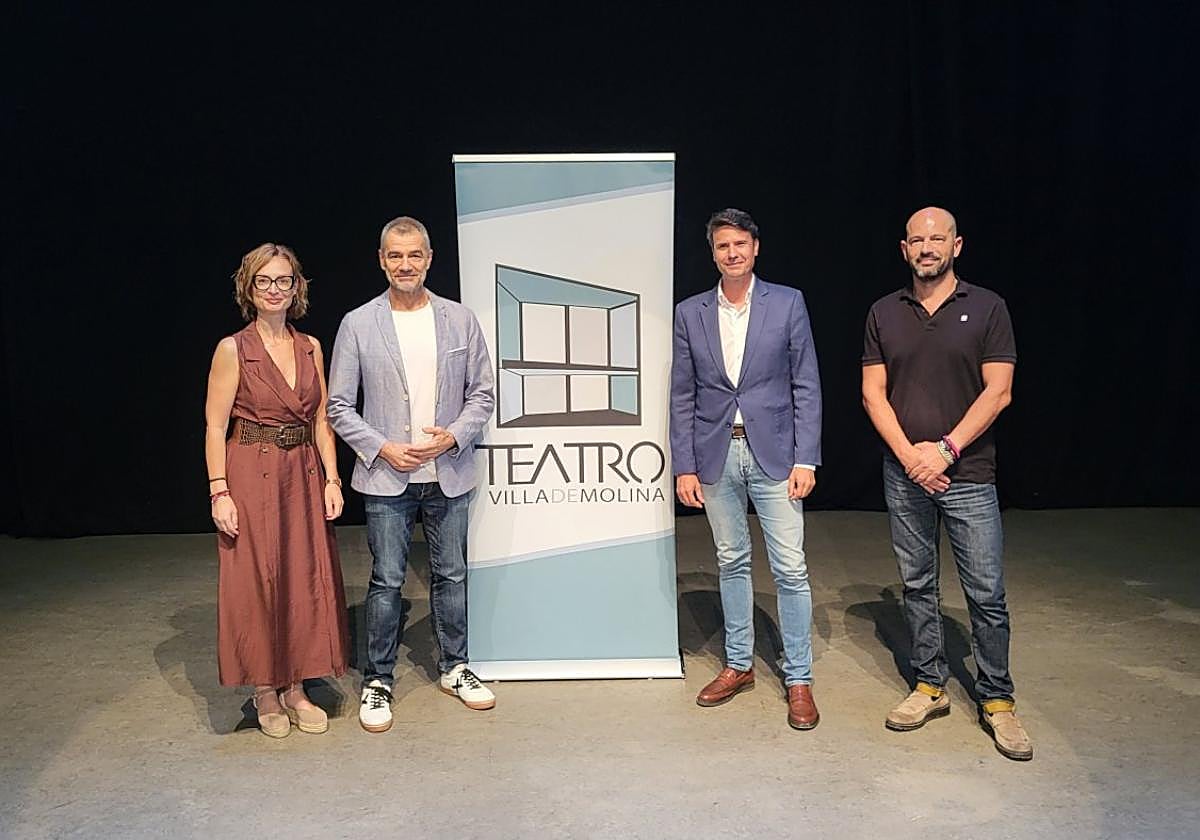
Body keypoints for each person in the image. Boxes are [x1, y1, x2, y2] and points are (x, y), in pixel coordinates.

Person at [861, 206, 1032, 761]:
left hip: (969, 474)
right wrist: (911, 455)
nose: (927, 246)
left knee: (985, 593)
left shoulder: (987, 307)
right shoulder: (884, 312)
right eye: (917, 239)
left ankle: (997, 700)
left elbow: (999, 391)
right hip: (906, 473)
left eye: (938, 238)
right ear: (904, 248)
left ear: (958, 245)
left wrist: (946, 449)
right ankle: (929, 686)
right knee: (917, 585)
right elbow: (872, 393)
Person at [327, 215, 496, 733]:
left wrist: (452, 436)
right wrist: (382, 448)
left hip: (448, 471)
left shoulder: (460, 319)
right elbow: (338, 405)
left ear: (429, 259)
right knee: (387, 581)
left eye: (414, 254)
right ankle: (378, 680)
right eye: (395, 255)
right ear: (382, 260)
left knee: (452, 575)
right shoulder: (358, 323)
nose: (406, 264)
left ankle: (455, 667)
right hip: (387, 479)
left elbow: (483, 393)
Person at [670, 208, 823, 730]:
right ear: (712, 252)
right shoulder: (690, 312)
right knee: (730, 560)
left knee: (790, 567)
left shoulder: (787, 303)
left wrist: (807, 457)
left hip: (775, 454)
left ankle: (798, 677)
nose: (731, 254)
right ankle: (739, 665)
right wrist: (684, 465)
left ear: (755, 247)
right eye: (721, 247)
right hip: (716, 454)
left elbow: (806, 383)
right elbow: (682, 394)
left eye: (740, 244)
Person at [204, 242, 350, 739]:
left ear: (296, 287)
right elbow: (214, 425)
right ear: (249, 287)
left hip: (301, 472)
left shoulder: (310, 347)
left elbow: (321, 419)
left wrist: (332, 478)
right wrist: (219, 491)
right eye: (264, 281)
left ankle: (295, 687)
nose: (274, 290)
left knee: (302, 576)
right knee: (256, 577)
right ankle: (264, 688)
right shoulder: (233, 349)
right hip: (249, 468)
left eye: (283, 281)